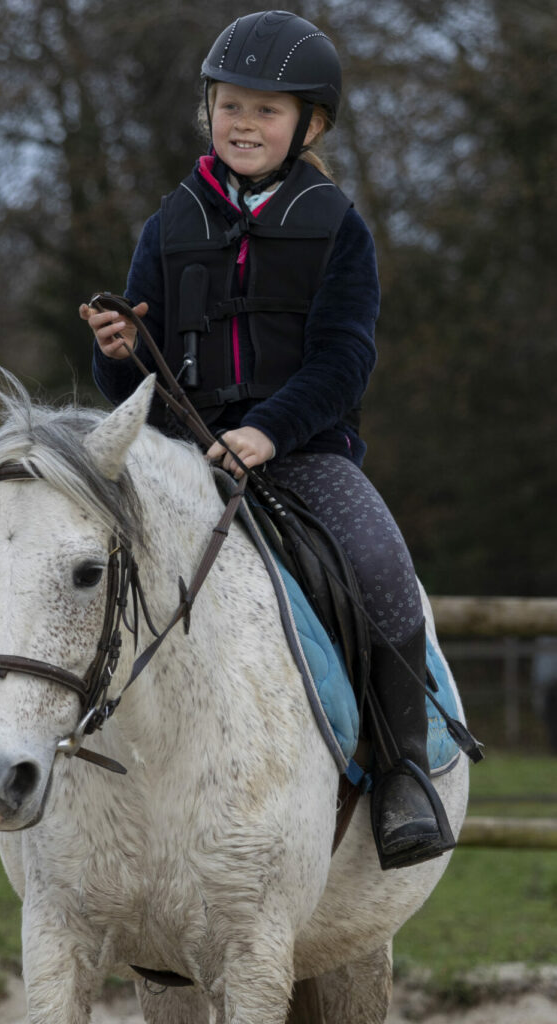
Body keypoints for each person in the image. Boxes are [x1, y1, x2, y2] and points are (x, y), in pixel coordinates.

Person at [80, 10, 455, 869]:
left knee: (382, 564)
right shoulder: (167, 225)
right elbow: (135, 381)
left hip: (307, 454)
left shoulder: (338, 226)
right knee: (63, 547)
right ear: (207, 109)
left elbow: (345, 359)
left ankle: (401, 776)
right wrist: (118, 354)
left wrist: (267, 431)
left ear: (309, 125)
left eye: (268, 111)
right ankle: (23, 746)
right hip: (178, 455)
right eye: (230, 106)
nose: (244, 125)